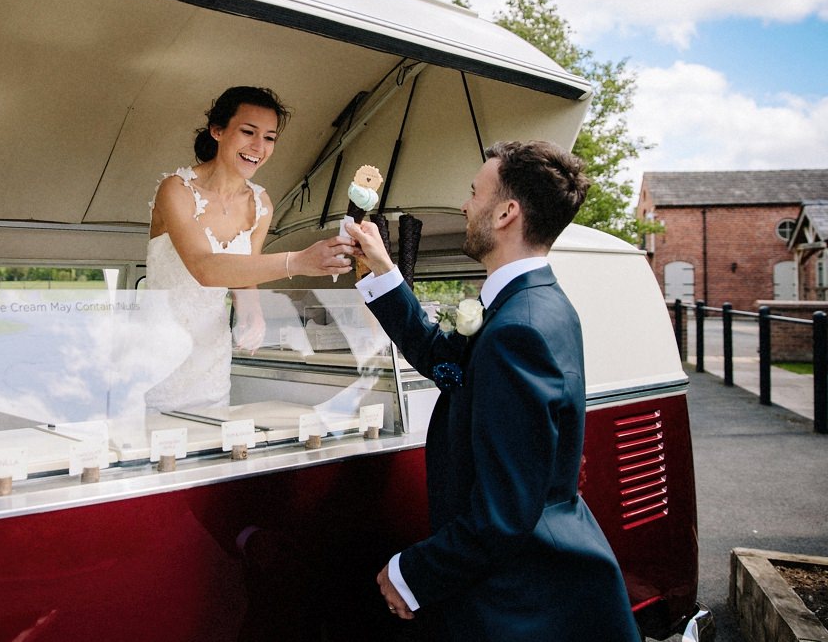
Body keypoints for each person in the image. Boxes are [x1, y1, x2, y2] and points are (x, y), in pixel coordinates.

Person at [345, 140, 638, 641]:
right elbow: (450, 365)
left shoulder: (518, 328)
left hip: (522, 602)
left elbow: (503, 514)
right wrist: (382, 270)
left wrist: (411, 574)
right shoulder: (535, 301)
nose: (464, 205)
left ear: (506, 213)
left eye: (474, 193)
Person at [145, 86, 353, 412]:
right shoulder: (176, 190)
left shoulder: (261, 204)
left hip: (211, 365)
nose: (259, 147)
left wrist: (251, 313)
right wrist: (296, 261)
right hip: (157, 363)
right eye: (248, 132)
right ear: (217, 131)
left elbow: (244, 280)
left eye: (270, 138)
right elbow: (204, 267)